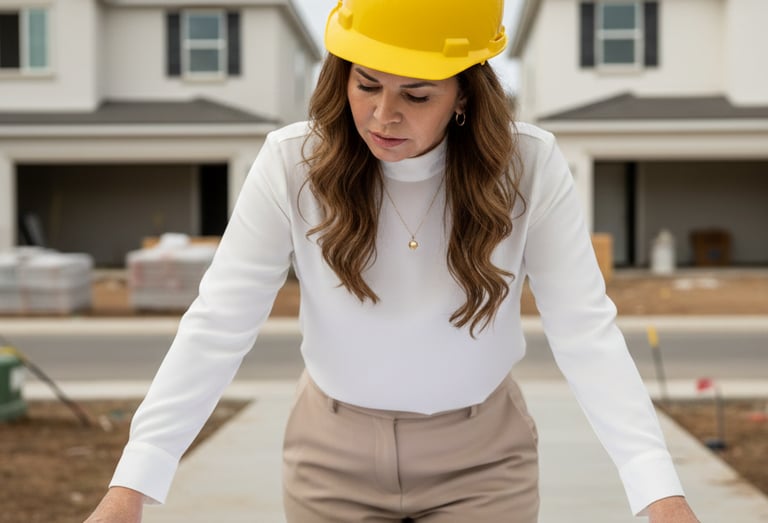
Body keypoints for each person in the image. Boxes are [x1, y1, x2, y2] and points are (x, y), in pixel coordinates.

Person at [86, 0, 701, 521]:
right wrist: (134, 482)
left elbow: (585, 329)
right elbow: (219, 320)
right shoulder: (290, 164)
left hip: (485, 462)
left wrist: (656, 489)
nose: (383, 116)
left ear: (464, 94)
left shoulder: (530, 168)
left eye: (417, 94)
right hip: (330, 458)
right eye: (366, 84)